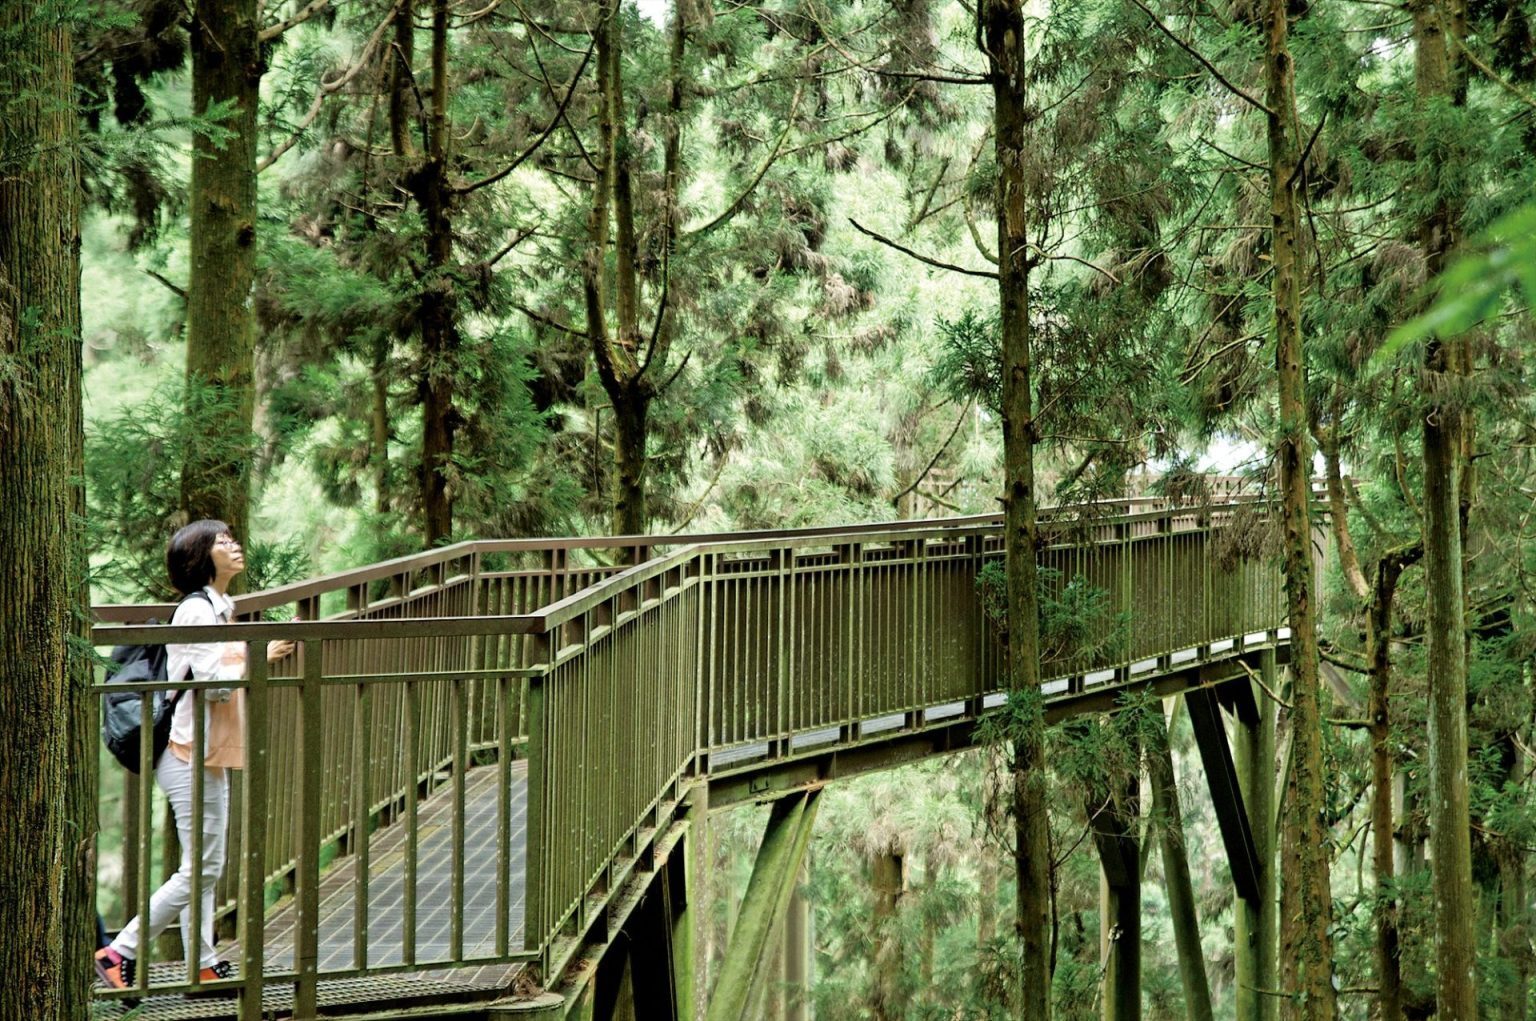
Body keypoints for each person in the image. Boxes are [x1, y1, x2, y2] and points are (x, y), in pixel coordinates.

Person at [94, 520, 293, 995]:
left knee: (204, 864)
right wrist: (257, 657)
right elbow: (214, 683)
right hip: (186, 751)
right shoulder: (195, 611)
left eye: (231, 538)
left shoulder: (219, 608)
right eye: (222, 542)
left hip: (204, 752)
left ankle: (201, 965)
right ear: (201, 556)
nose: (234, 546)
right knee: (202, 867)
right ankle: (119, 951)